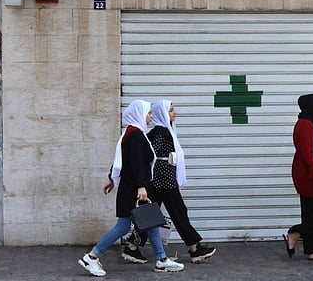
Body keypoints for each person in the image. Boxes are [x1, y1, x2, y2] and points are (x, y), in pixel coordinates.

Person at [78, 100, 184, 277]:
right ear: (140, 114)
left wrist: (112, 178)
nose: (151, 116)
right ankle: (92, 257)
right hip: (134, 189)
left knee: (151, 222)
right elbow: (136, 163)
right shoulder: (135, 135)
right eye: (148, 113)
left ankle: (162, 259)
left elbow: (122, 159)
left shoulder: (132, 133)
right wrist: (141, 186)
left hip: (133, 186)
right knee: (123, 226)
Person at [145, 99, 216, 263]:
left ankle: (132, 247)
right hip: (165, 180)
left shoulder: (163, 131)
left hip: (160, 180)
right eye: (170, 110)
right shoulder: (160, 132)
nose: (174, 113)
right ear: (163, 113)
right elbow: (149, 154)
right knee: (179, 212)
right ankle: (194, 248)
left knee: (150, 214)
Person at [283, 94, 313, 260]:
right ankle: (295, 233)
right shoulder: (305, 125)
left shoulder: (308, 123)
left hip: (307, 173)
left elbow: (310, 147)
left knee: (311, 212)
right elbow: (308, 155)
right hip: (308, 176)